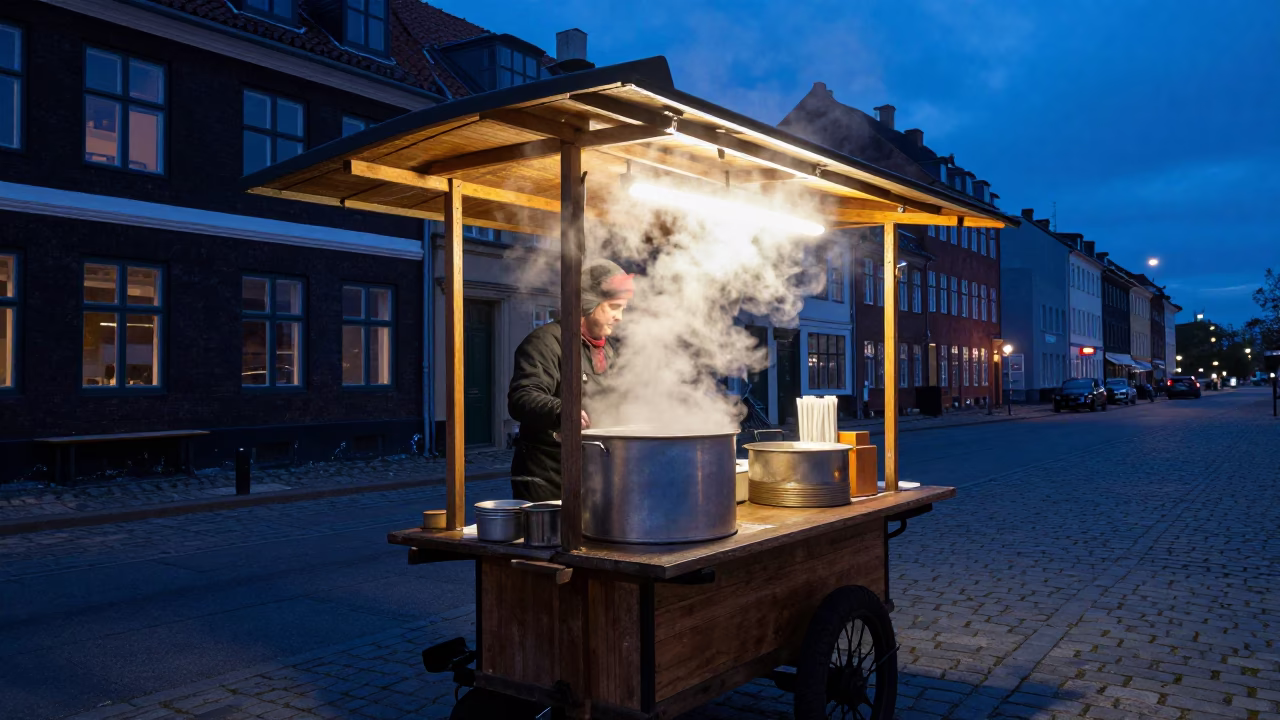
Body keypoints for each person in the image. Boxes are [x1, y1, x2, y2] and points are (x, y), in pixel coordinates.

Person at [507, 259, 633, 502]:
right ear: (588, 303)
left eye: (623, 309)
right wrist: (563, 410)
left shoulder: (609, 349)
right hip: (547, 479)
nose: (620, 317)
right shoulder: (546, 342)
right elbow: (522, 397)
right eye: (614, 307)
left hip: (594, 474)